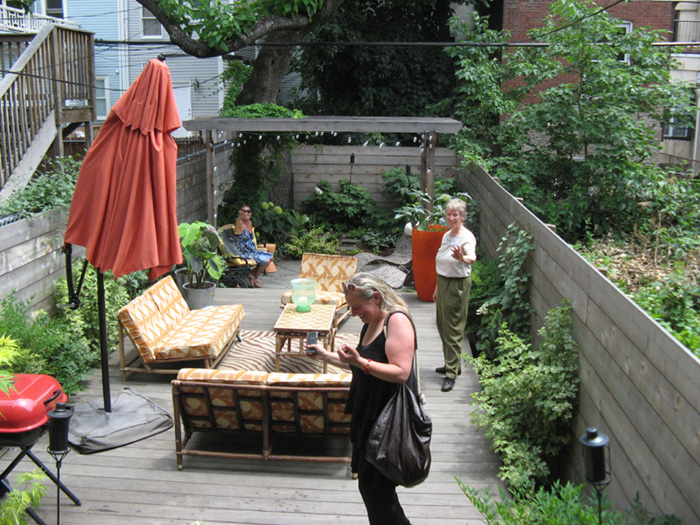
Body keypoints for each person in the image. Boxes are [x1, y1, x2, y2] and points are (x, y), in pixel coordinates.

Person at [306, 272, 416, 525]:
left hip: (387, 419)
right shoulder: (372, 321)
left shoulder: (396, 321)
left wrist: (360, 362)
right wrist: (326, 356)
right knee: (374, 489)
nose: (354, 314)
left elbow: (401, 373)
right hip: (368, 414)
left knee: (375, 488)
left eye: (357, 307)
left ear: (376, 297)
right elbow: (359, 365)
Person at [432, 198, 477, 392]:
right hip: (443, 282)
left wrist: (462, 258)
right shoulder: (447, 235)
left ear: (463, 216)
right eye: (449, 214)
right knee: (442, 324)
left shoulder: (466, 237)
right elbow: (442, 262)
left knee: (453, 328)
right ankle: (453, 364)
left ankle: (451, 374)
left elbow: (472, 257)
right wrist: (436, 287)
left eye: (455, 214)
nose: (451, 218)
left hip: (457, 284)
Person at [233, 205, 273, 287]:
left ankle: (252, 276)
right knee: (267, 261)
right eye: (244, 211)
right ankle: (255, 278)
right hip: (243, 252)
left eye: (248, 211)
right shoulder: (239, 224)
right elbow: (237, 232)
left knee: (271, 257)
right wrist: (240, 217)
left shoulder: (250, 223)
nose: (246, 213)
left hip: (251, 250)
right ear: (240, 212)